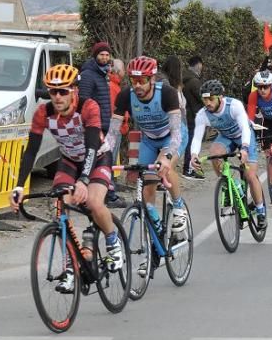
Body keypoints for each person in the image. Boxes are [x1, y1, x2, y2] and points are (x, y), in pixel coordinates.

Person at [10, 65, 124, 291]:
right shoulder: (43, 113)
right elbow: (30, 152)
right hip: (70, 160)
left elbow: (92, 146)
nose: (58, 97)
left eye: (63, 91)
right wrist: (19, 186)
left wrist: (83, 180)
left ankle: (113, 242)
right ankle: (71, 265)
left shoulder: (88, 107)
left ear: (74, 90)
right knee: (59, 204)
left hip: (98, 157)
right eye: (53, 92)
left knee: (92, 202)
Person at [105, 56, 188, 235]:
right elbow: (112, 134)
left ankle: (179, 207)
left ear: (152, 79)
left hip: (172, 136)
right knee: (147, 182)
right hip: (149, 139)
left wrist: (167, 157)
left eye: (142, 80)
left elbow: (176, 135)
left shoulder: (167, 93)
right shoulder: (126, 95)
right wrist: (102, 154)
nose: (137, 86)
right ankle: (155, 224)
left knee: (165, 166)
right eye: (133, 80)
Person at [189, 79, 266, 228]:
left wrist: (244, 148)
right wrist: (194, 155)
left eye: (211, 99)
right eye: (204, 99)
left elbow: (245, 128)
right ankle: (229, 184)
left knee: (250, 175)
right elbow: (197, 137)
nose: (207, 103)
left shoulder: (234, 106)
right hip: (226, 137)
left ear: (220, 97)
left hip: (244, 136)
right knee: (214, 153)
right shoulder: (202, 114)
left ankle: (260, 209)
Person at [78, 41, 124, 207]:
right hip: (95, 124)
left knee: (101, 158)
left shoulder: (103, 73)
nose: (104, 57)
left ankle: (101, 193)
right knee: (102, 158)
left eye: (107, 55)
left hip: (105, 122)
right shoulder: (89, 75)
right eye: (101, 54)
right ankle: (108, 195)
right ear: (95, 56)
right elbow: (83, 100)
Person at [181, 56, 205, 179]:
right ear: (198, 65)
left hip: (186, 115)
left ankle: (189, 168)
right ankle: (189, 169)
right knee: (193, 143)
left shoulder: (184, 79)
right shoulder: (194, 82)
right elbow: (203, 98)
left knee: (190, 142)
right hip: (194, 116)